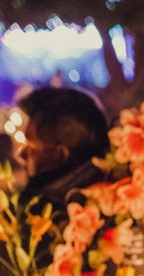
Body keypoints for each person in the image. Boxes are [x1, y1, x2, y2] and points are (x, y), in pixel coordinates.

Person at [17, 86, 109, 223]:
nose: (22, 154)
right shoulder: (107, 202)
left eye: (31, 147)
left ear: (60, 155)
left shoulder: (47, 220)